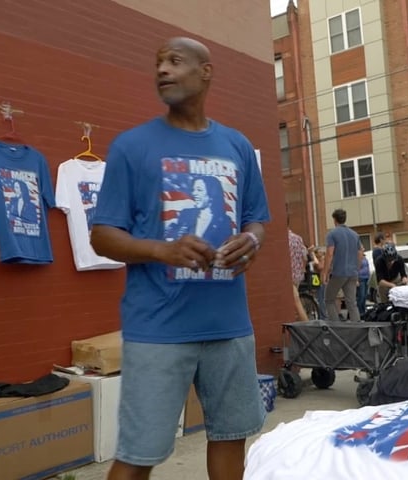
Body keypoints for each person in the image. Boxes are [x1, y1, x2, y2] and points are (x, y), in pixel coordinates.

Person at [90, 37, 270, 480]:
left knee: (231, 437)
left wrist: (251, 240)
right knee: (139, 453)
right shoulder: (133, 146)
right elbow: (101, 235)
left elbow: (256, 219)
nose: (162, 71)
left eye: (174, 61)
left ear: (206, 71)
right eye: (158, 64)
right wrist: (161, 249)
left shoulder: (237, 146)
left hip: (228, 324)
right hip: (158, 328)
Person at [166, 175, 233, 246]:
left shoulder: (224, 221)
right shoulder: (186, 214)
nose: (194, 193)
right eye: (193, 190)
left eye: (199, 190)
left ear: (212, 193)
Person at [322, 208, 363, 322]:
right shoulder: (354, 234)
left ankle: (336, 327)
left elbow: (329, 253)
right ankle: (357, 330)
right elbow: (360, 252)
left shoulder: (332, 234)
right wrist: (357, 267)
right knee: (351, 303)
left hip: (339, 272)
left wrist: (325, 273)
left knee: (329, 299)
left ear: (334, 220)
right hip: (352, 273)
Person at [288, 228, 309, 321]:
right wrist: (302, 269)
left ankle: (308, 328)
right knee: (294, 303)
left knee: (296, 302)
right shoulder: (298, 238)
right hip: (298, 275)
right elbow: (305, 256)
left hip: (288, 276)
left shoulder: (284, 239)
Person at [309, 246, 327, 319]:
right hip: (318, 281)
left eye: (317, 252)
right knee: (319, 299)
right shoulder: (319, 259)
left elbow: (320, 267)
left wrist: (313, 255)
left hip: (322, 281)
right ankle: (322, 315)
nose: (316, 254)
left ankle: (323, 316)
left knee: (321, 299)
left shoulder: (323, 258)